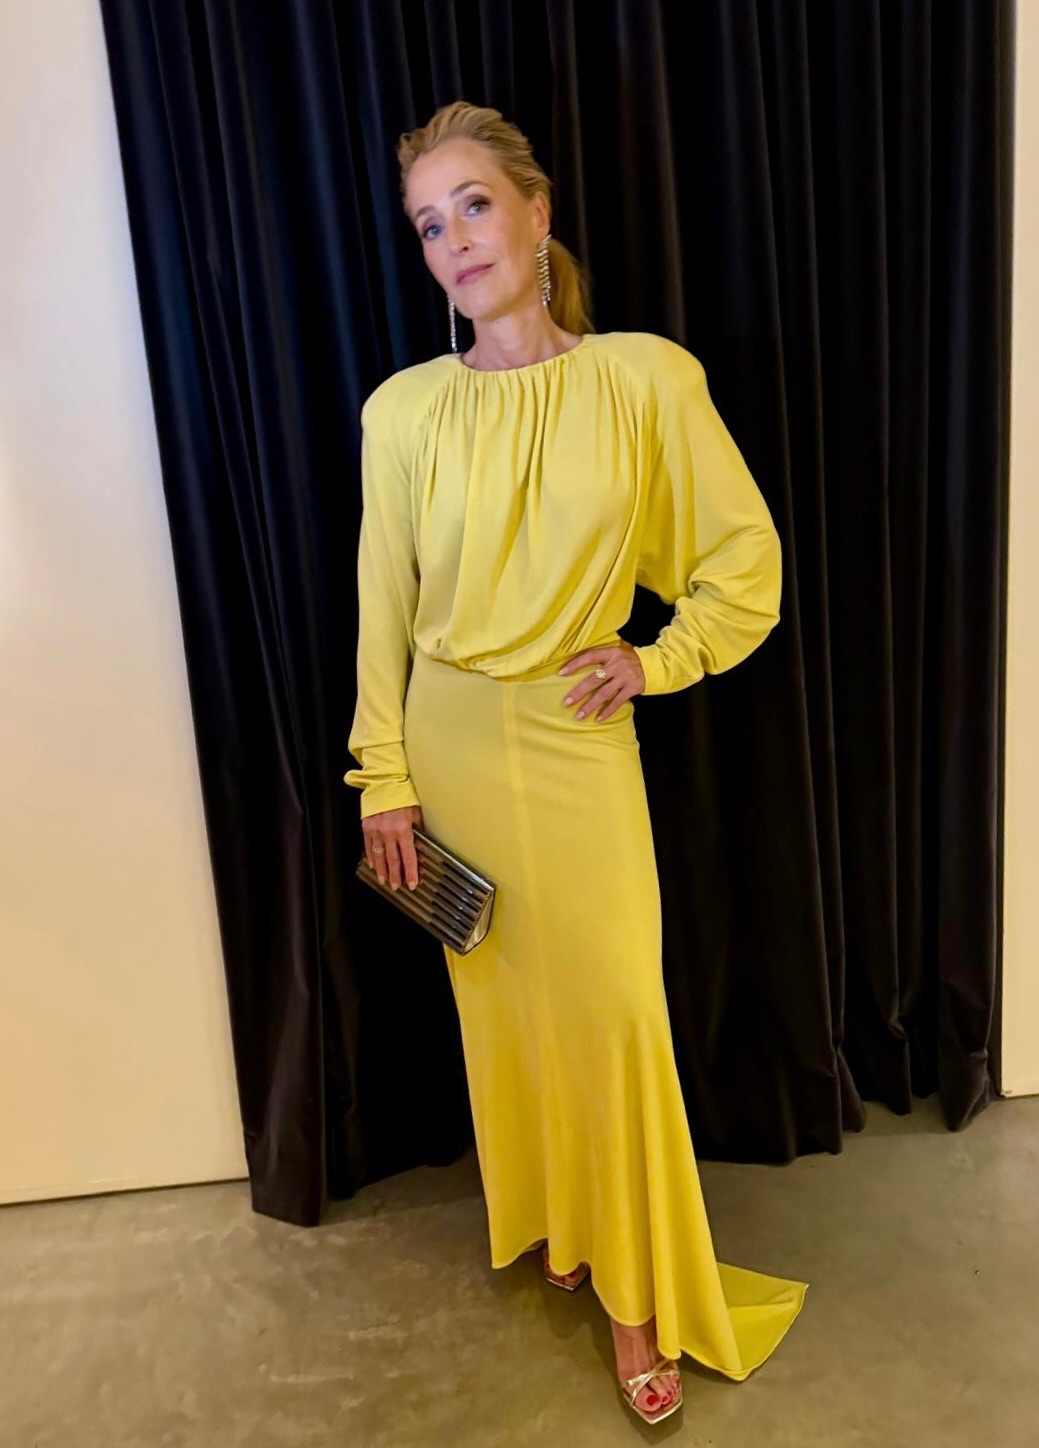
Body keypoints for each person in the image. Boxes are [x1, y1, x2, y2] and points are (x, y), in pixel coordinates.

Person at [344, 100, 807, 1426]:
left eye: (473, 205)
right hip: (446, 736)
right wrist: (384, 776)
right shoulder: (404, 411)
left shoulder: (644, 379)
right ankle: (558, 1221)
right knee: (505, 1017)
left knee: (610, 1018)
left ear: (537, 215)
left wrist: (659, 660)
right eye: (427, 225)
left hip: (573, 739)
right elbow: (384, 603)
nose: (452, 240)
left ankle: (637, 1298)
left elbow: (741, 561)